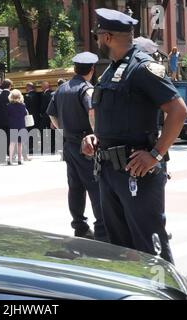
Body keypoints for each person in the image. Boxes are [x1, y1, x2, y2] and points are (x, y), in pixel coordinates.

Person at [82, 8, 187, 263]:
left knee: (150, 247)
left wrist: (155, 154)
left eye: (98, 35)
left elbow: (178, 110)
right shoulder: (112, 70)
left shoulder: (142, 68)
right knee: (120, 251)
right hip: (108, 170)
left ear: (107, 37)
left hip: (136, 173)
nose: (97, 40)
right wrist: (95, 137)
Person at [46, 52, 105, 241]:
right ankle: (102, 227)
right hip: (86, 145)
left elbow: (52, 115)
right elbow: (92, 111)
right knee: (95, 186)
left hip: (69, 144)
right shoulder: (86, 89)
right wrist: (96, 133)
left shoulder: (62, 88)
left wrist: (63, 128)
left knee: (75, 187)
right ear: (92, 69)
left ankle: (79, 226)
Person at [7, 89, 28, 165]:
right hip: (21, 125)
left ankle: (10, 159)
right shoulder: (23, 105)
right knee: (20, 143)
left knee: (12, 143)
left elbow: (7, 115)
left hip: (12, 125)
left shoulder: (9, 106)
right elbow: (25, 114)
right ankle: (19, 159)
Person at [0, 78, 12, 163]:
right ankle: (10, 154)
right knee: (9, 137)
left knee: (0, 138)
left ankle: (0, 155)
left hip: (0, 120)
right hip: (10, 120)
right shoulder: (12, 95)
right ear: (9, 86)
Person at [24, 82, 41, 156]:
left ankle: (31, 148)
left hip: (29, 118)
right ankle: (36, 147)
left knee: (30, 133)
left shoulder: (27, 96)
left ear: (28, 87)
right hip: (37, 117)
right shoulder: (39, 95)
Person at [40, 81, 54, 154]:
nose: (41, 87)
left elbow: (44, 106)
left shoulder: (46, 94)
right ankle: (52, 148)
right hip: (51, 116)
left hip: (45, 116)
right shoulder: (51, 93)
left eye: (42, 86)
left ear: (46, 86)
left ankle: (43, 148)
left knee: (43, 131)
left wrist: (41, 113)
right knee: (51, 132)